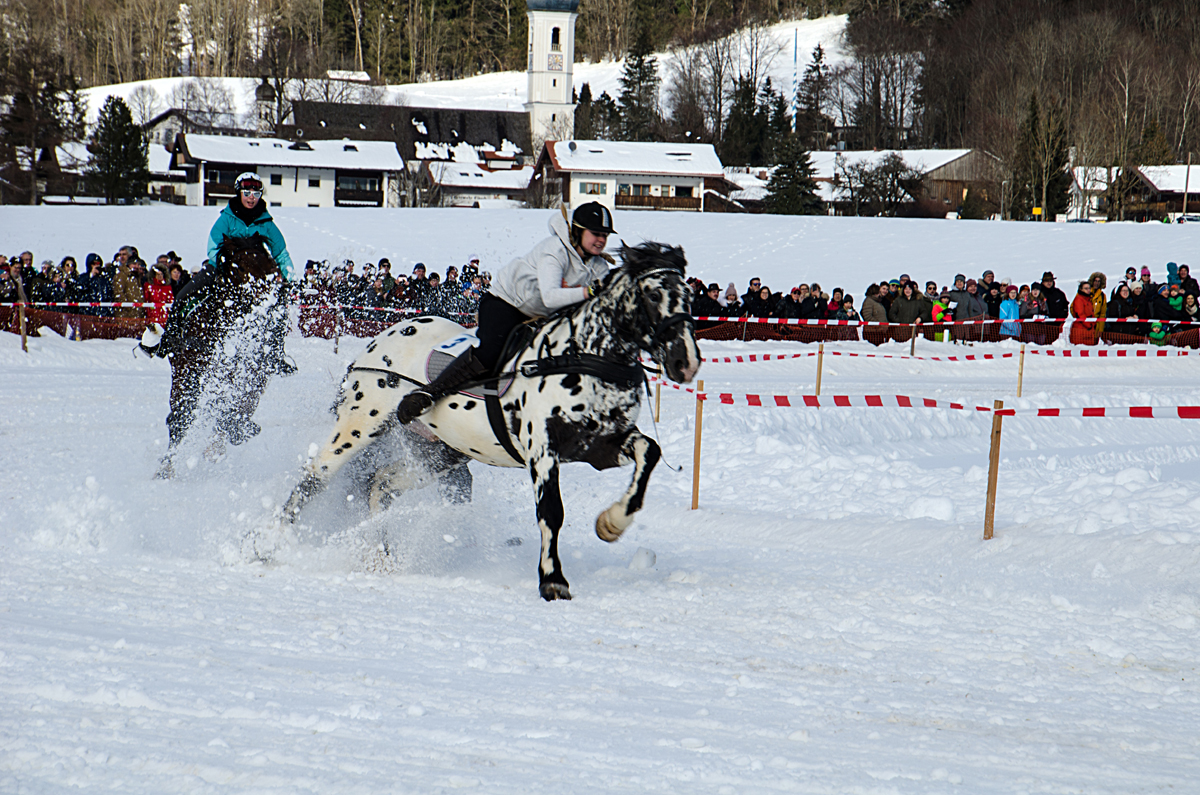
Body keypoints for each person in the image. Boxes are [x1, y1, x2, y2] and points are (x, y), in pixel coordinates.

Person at [397, 202, 615, 424]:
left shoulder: (599, 266)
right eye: (596, 233)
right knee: (491, 354)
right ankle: (430, 393)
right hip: (504, 303)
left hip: (540, 317)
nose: (601, 240)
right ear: (577, 231)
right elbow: (551, 297)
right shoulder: (555, 250)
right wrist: (589, 291)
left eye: (605, 236)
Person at [144, 172, 297, 374]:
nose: (252, 198)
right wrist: (221, 263)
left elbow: (280, 253)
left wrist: (290, 278)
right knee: (182, 296)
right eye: (247, 193)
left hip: (253, 275)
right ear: (238, 193)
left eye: (256, 194)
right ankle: (169, 342)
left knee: (278, 306)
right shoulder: (227, 217)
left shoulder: (266, 223)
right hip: (221, 267)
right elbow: (213, 244)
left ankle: (275, 355)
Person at [1069, 280, 1096, 345]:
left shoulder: (1088, 299)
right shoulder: (1079, 299)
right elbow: (1080, 314)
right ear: (1081, 289)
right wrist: (1089, 325)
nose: (1088, 290)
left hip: (1088, 329)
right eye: (1086, 288)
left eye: (1089, 288)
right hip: (1081, 330)